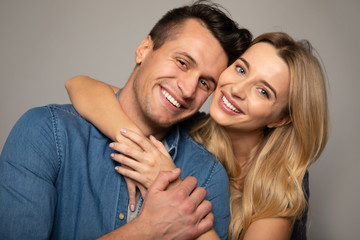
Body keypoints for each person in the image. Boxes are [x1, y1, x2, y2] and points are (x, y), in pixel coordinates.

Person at [0, 1, 252, 240]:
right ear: (144, 49)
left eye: (204, 83)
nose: (187, 90)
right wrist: (145, 231)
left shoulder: (206, 176)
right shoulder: (46, 134)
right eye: (182, 62)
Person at [66, 32, 329, 240]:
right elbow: (80, 85)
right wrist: (138, 144)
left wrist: (171, 183)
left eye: (263, 91)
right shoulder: (189, 126)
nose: (237, 89)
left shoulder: (281, 182)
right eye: (241, 69)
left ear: (281, 118)